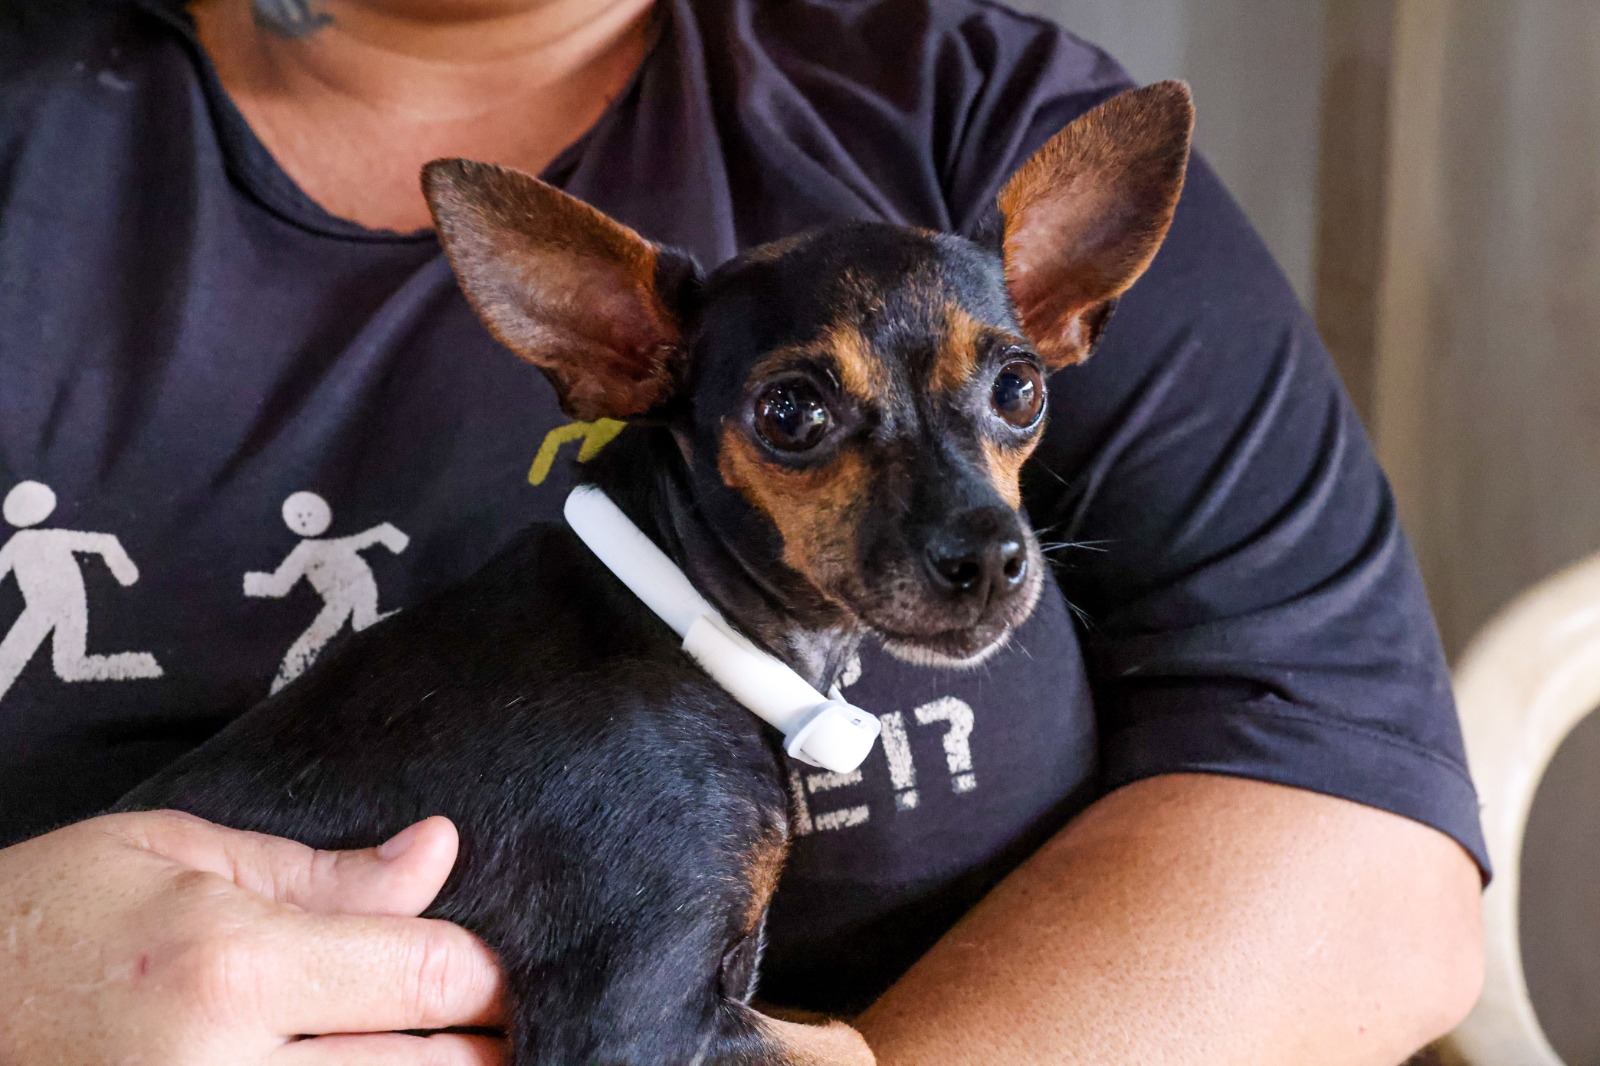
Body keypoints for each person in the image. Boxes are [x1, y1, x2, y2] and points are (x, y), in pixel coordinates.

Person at [0, 0, 1487, 1063]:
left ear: (1058, 315)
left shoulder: (956, 106)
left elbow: (1365, 832)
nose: (971, 530)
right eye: (798, 420)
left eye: (1011, 393)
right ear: (609, 352)